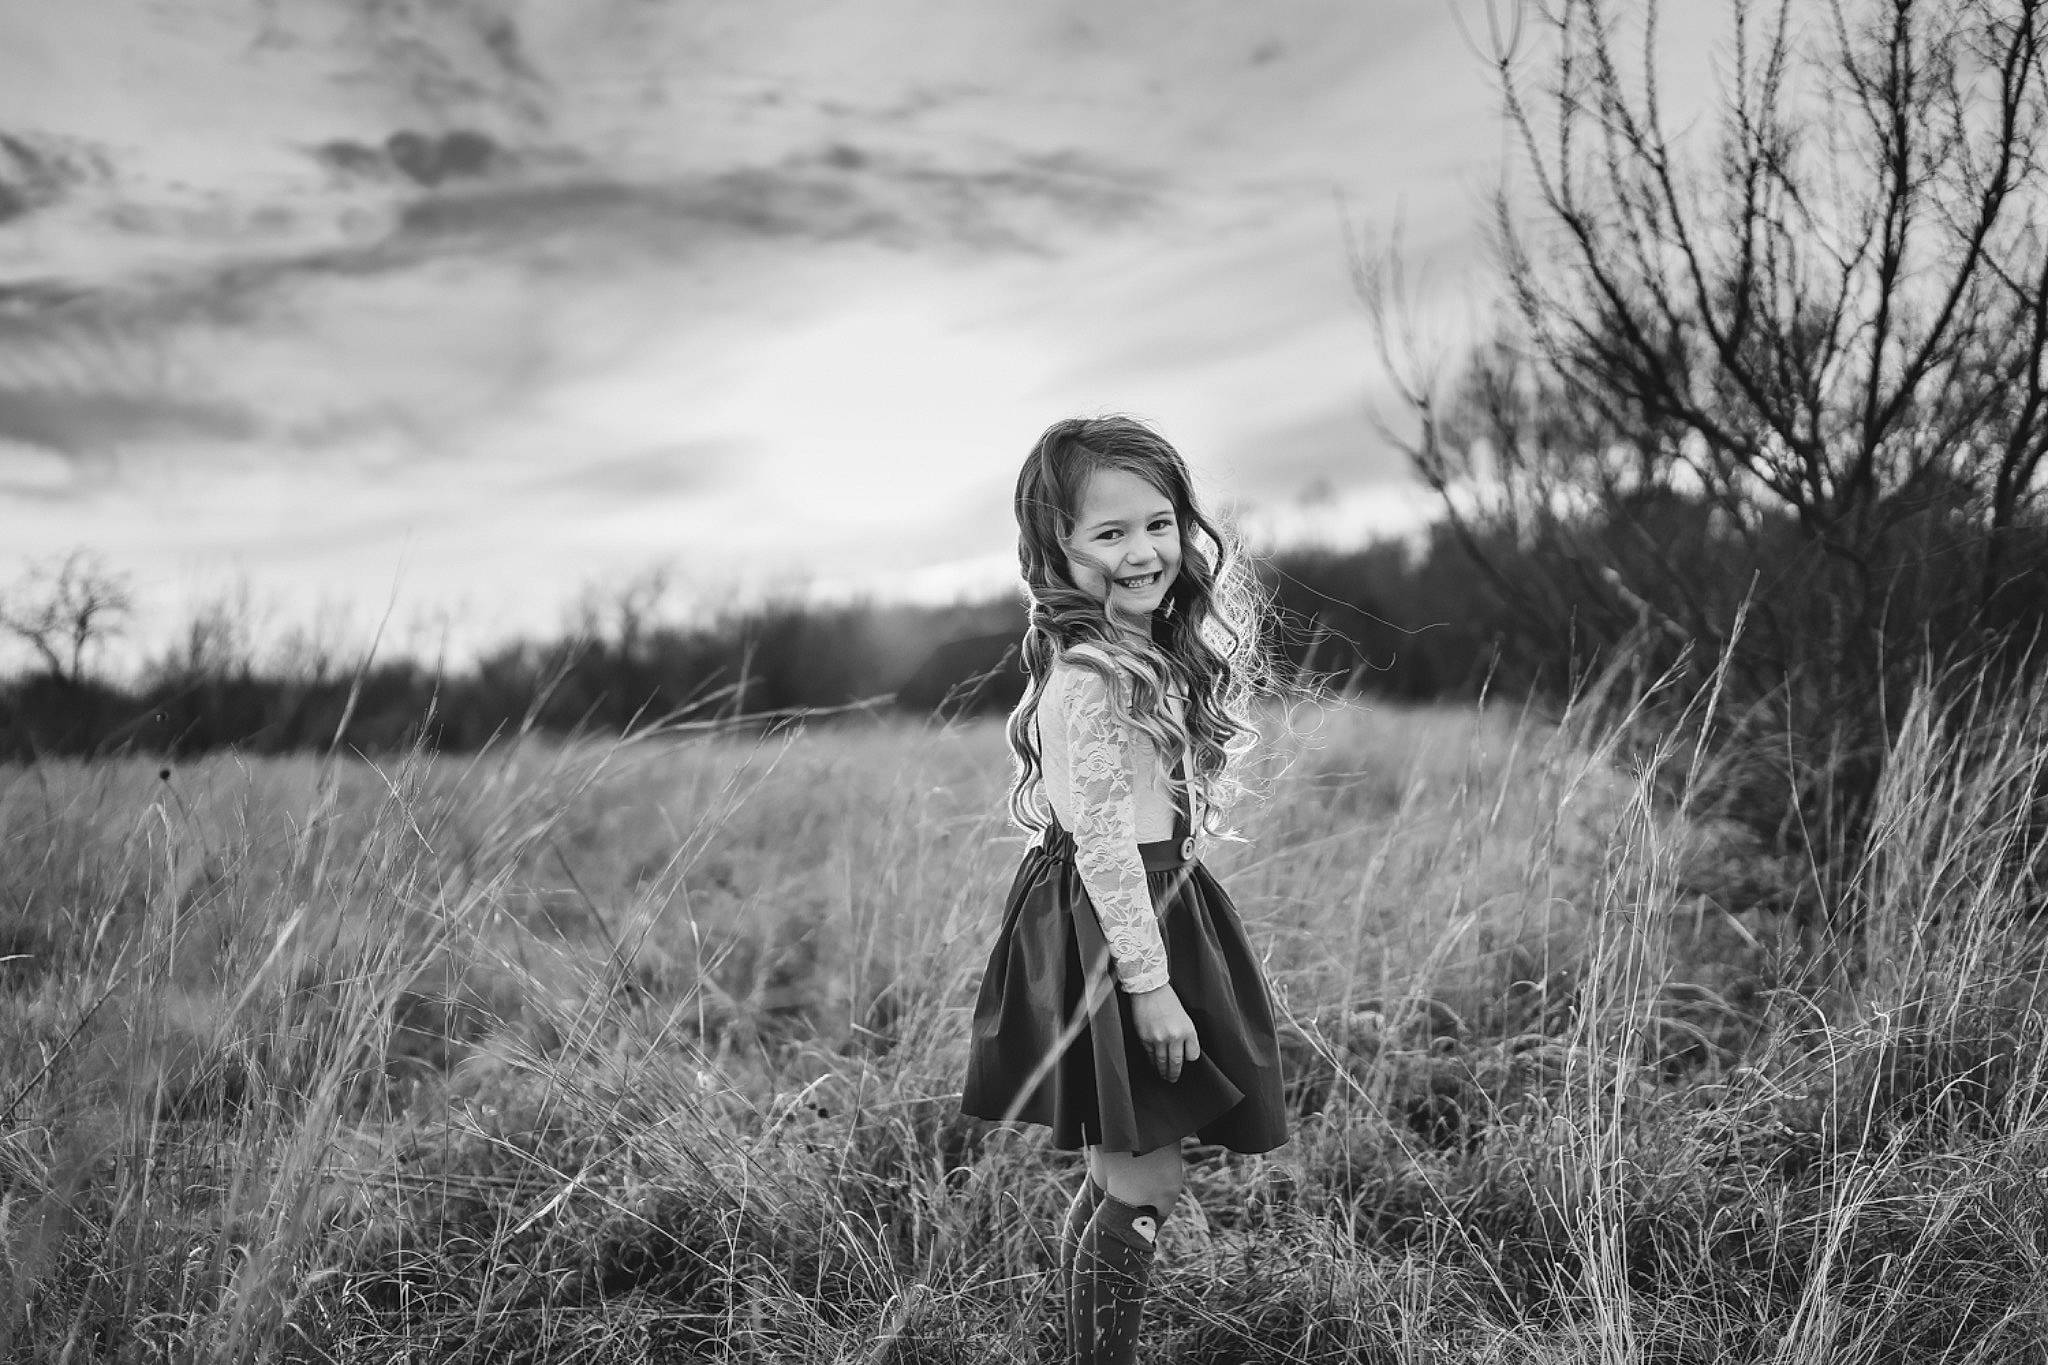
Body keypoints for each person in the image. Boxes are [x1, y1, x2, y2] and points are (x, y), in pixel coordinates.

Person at [960, 415, 1288, 1363]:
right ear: (1055, 551)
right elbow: (1104, 848)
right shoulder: (1094, 678)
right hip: (1120, 923)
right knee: (1144, 1182)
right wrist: (1148, 986)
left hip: (1143, 905)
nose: (1144, 550)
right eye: (1109, 534)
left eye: (1159, 522)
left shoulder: (1140, 654)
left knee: (1125, 1174)